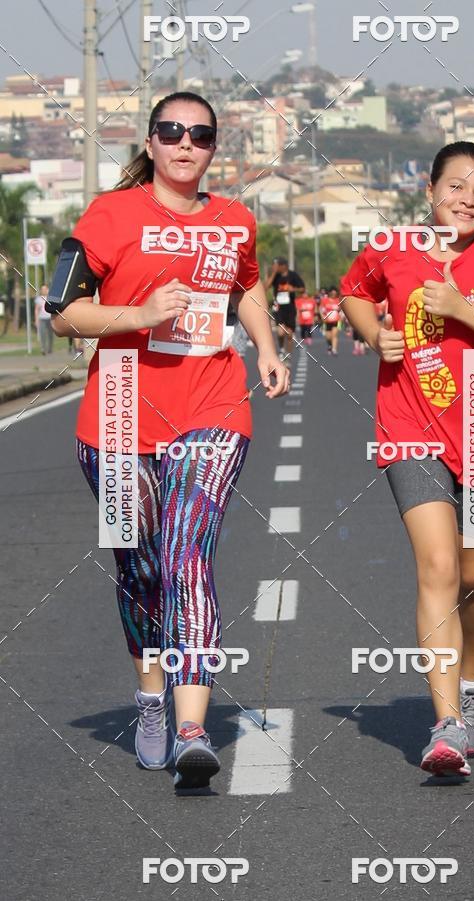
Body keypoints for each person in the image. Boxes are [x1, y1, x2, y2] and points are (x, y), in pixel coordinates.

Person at [49, 91, 289, 790]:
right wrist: (140, 313)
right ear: (151, 142)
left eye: (201, 134)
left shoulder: (234, 220)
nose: (186, 143)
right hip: (119, 410)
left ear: (215, 146)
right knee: (140, 569)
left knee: (188, 558)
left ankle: (191, 728)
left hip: (213, 405)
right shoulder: (109, 215)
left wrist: (267, 347)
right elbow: (63, 313)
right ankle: (150, 696)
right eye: (172, 131)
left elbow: (246, 288)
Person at [340, 141, 474, 778]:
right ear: (430, 189)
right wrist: (372, 332)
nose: (467, 200)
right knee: (437, 566)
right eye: (455, 186)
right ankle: (446, 725)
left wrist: (464, 308)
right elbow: (354, 291)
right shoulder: (394, 246)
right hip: (409, 425)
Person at [265, 257, 305, 361]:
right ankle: (282, 349)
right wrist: (273, 273)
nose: (274, 267)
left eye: (276, 266)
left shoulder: (293, 275)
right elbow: (266, 287)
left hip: (290, 308)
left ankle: (288, 354)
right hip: (278, 307)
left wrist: (293, 289)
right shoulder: (275, 276)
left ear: (283, 266)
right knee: (280, 332)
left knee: (289, 334)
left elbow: (302, 289)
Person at [319, 287, 342, 355]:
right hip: (327, 321)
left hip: (336, 321)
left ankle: (334, 349)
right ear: (329, 293)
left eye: (335, 293)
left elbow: (341, 310)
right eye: (332, 293)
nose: (333, 295)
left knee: (334, 335)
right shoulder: (324, 300)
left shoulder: (338, 300)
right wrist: (322, 317)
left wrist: (342, 317)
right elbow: (321, 309)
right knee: (328, 337)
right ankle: (330, 345)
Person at [34, 284, 53, 354]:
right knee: (42, 334)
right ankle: (43, 349)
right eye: (42, 289)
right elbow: (36, 310)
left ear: (48, 290)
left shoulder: (51, 298)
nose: (44, 291)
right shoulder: (38, 299)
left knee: (50, 334)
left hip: (50, 318)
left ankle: (50, 348)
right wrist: (36, 320)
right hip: (42, 319)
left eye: (45, 289)